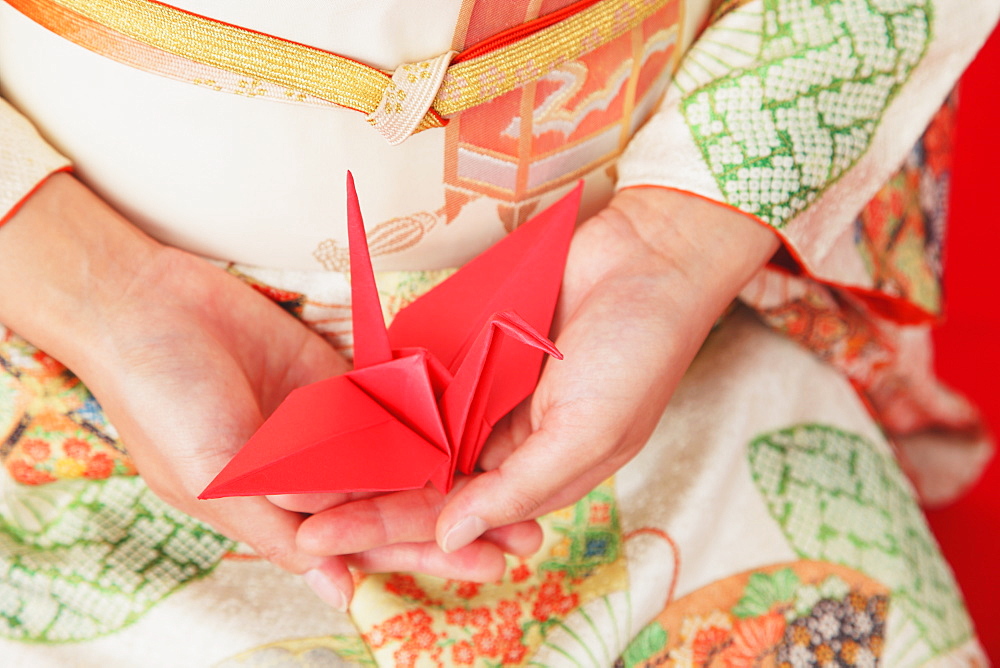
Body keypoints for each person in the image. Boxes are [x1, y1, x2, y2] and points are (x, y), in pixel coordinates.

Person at [0, 0, 996, 665]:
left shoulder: (669, 274)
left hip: (646, 323)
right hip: (73, 347)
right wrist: (94, 291)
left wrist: (680, 242)